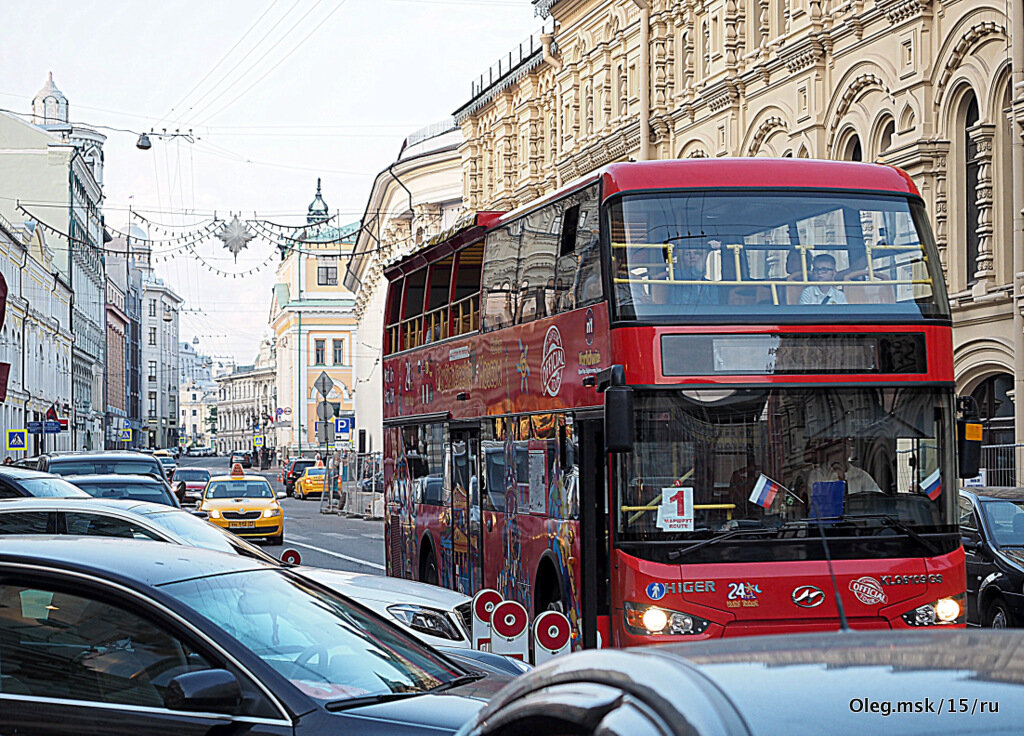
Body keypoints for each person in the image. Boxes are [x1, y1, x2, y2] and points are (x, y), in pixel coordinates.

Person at [805, 439, 881, 496]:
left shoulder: (861, 475)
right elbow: (818, 506)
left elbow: (877, 498)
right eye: (837, 451)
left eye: (843, 450)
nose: (840, 455)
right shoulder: (817, 476)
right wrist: (837, 478)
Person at [670, 241, 719, 305]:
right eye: (687, 254)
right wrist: (706, 250)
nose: (692, 256)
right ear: (682, 259)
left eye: (696, 253)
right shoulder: (678, 276)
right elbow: (695, 273)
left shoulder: (711, 286)